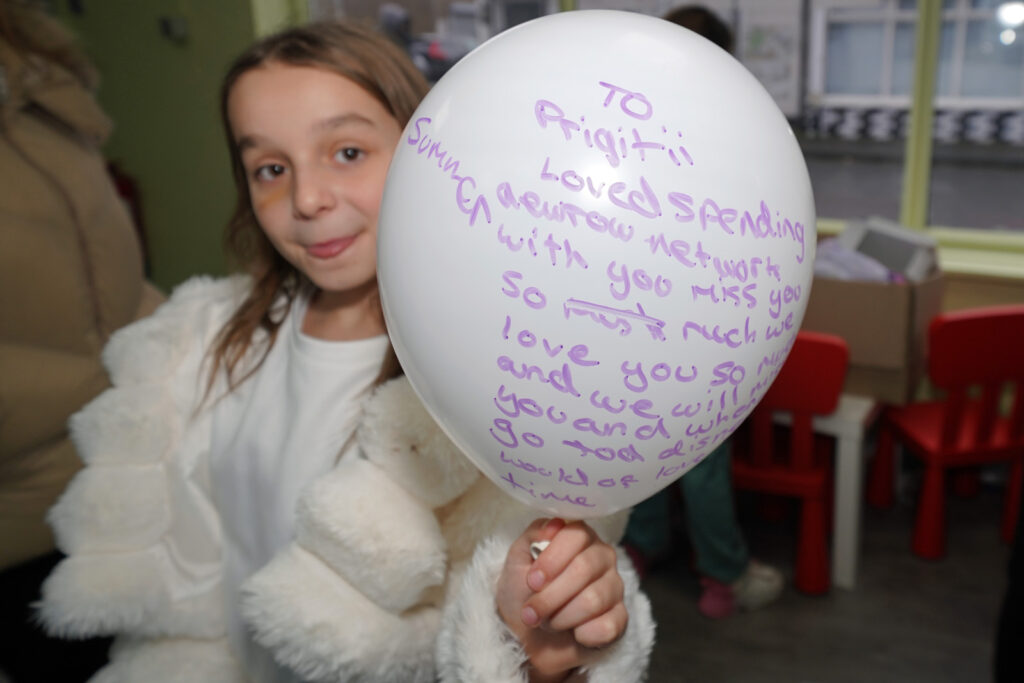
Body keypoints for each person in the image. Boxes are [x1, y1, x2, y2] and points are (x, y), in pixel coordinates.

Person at [37, 20, 654, 683]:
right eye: (271, 169)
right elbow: (192, 573)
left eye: (348, 152)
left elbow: (488, 627)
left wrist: (530, 641)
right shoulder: (207, 341)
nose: (306, 198)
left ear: (427, 148)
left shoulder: (493, 375)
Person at [0, 1, 164, 680]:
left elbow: (103, 271)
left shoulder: (33, 67)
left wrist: (182, 343)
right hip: (32, 515)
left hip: (132, 468)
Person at [621, 5, 784, 621]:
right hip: (698, 319)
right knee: (700, 458)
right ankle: (724, 575)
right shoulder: (727, 126)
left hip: (633, 307)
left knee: (639, 436)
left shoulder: (633, 121)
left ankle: (641, 545)